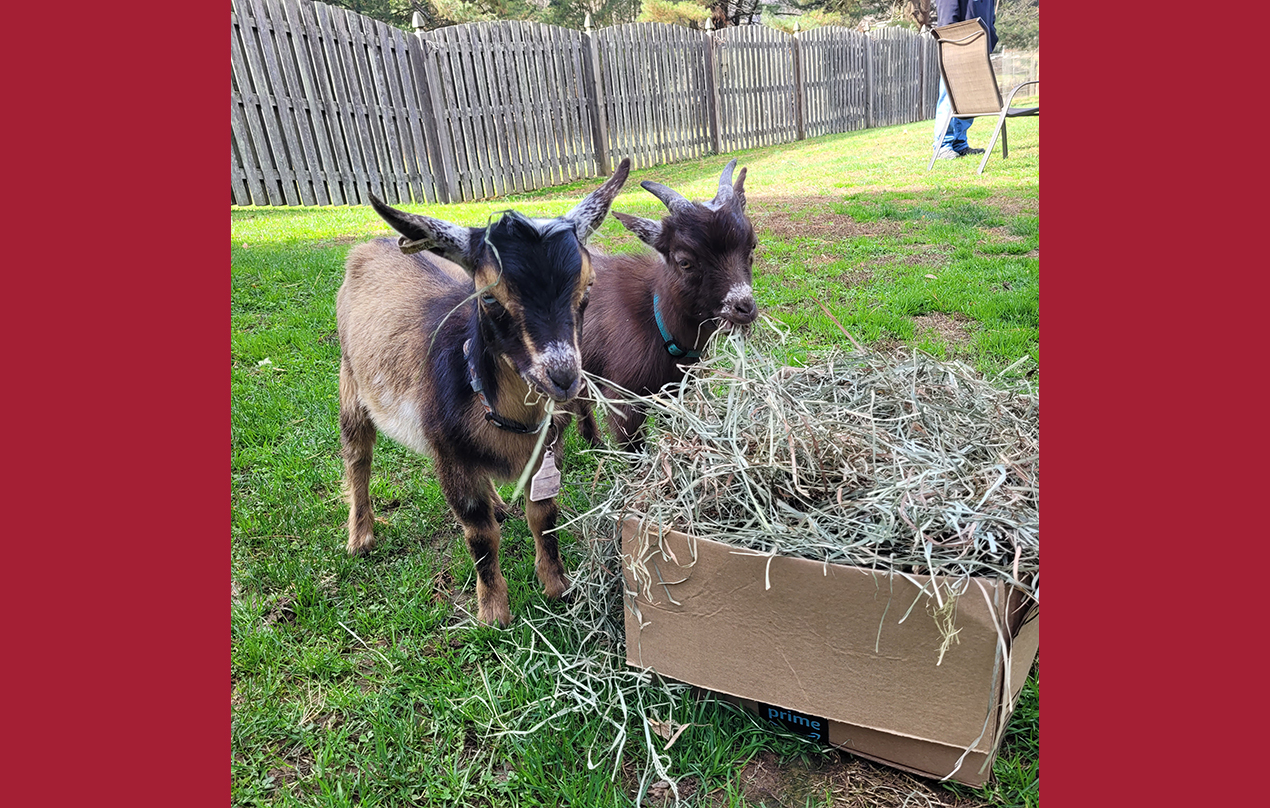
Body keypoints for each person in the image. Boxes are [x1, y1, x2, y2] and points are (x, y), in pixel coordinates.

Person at [932, 0, 998, 160]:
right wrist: (953, 43)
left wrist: (991, 36)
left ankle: (960, 144)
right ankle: (942, 146)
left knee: (969, 99)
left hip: (979, 46)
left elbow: (989, 15)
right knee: (949, 96)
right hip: (958, 46)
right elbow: (947, 13)